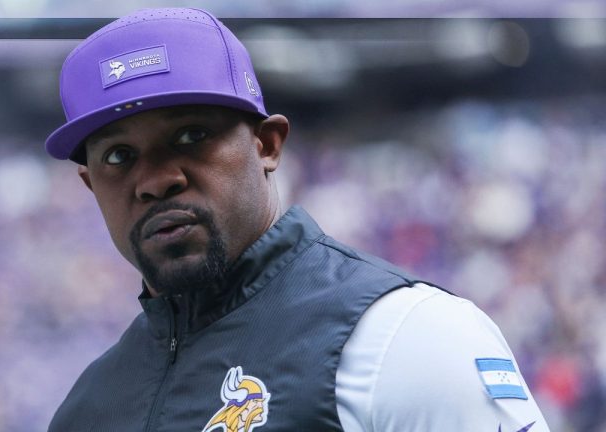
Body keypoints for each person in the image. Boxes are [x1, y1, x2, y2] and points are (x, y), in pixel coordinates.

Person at [43, 8, 550, 432]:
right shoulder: (87, 410)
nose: (155, 180)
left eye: (191, 136)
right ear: (90, 185)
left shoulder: (407, 335)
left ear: (267, 145)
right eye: (118, 156)